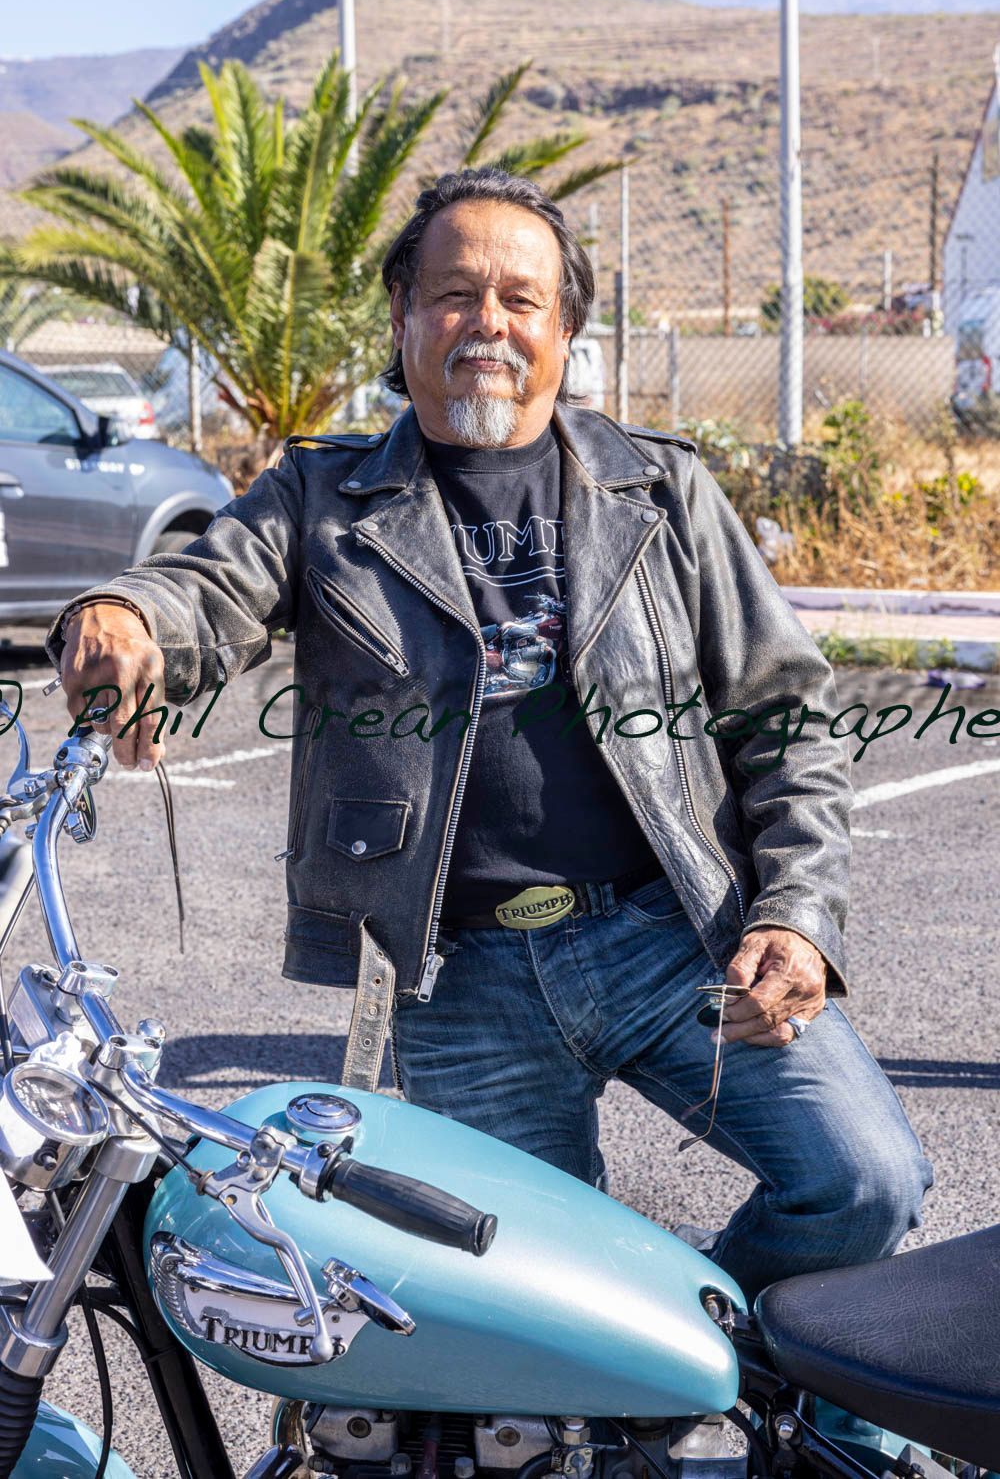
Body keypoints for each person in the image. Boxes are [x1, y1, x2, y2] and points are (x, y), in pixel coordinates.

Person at [49, 167, 932, 1304]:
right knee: (542, 1296)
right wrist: (122, 617)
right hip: (456, 974)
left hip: (674, 937)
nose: (487, 323)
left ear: (566, 326)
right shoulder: (319, 500)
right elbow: (199, 593)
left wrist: (796, 916)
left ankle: (716, 1371)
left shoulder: (660, 491)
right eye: (455, 293)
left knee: (863, 1182)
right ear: (403, 319)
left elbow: (783, 712)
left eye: (521, 299)